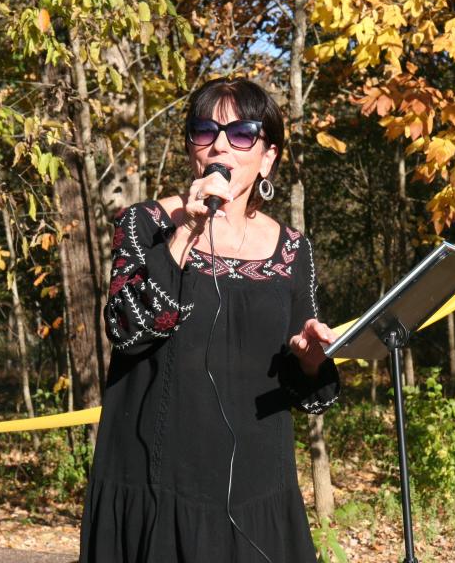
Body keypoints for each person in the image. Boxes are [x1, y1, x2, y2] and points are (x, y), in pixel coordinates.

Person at [80, 77, 341, 563]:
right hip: (153, 484)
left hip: (254, 492)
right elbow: (128, 330)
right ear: (191, 149)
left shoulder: (293, 250)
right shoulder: (145, 225)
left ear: (268, 157)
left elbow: (313, 395)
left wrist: (310, 361)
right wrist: (186, 234)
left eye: (241, 133)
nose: (221, 143)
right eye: (206, 130)